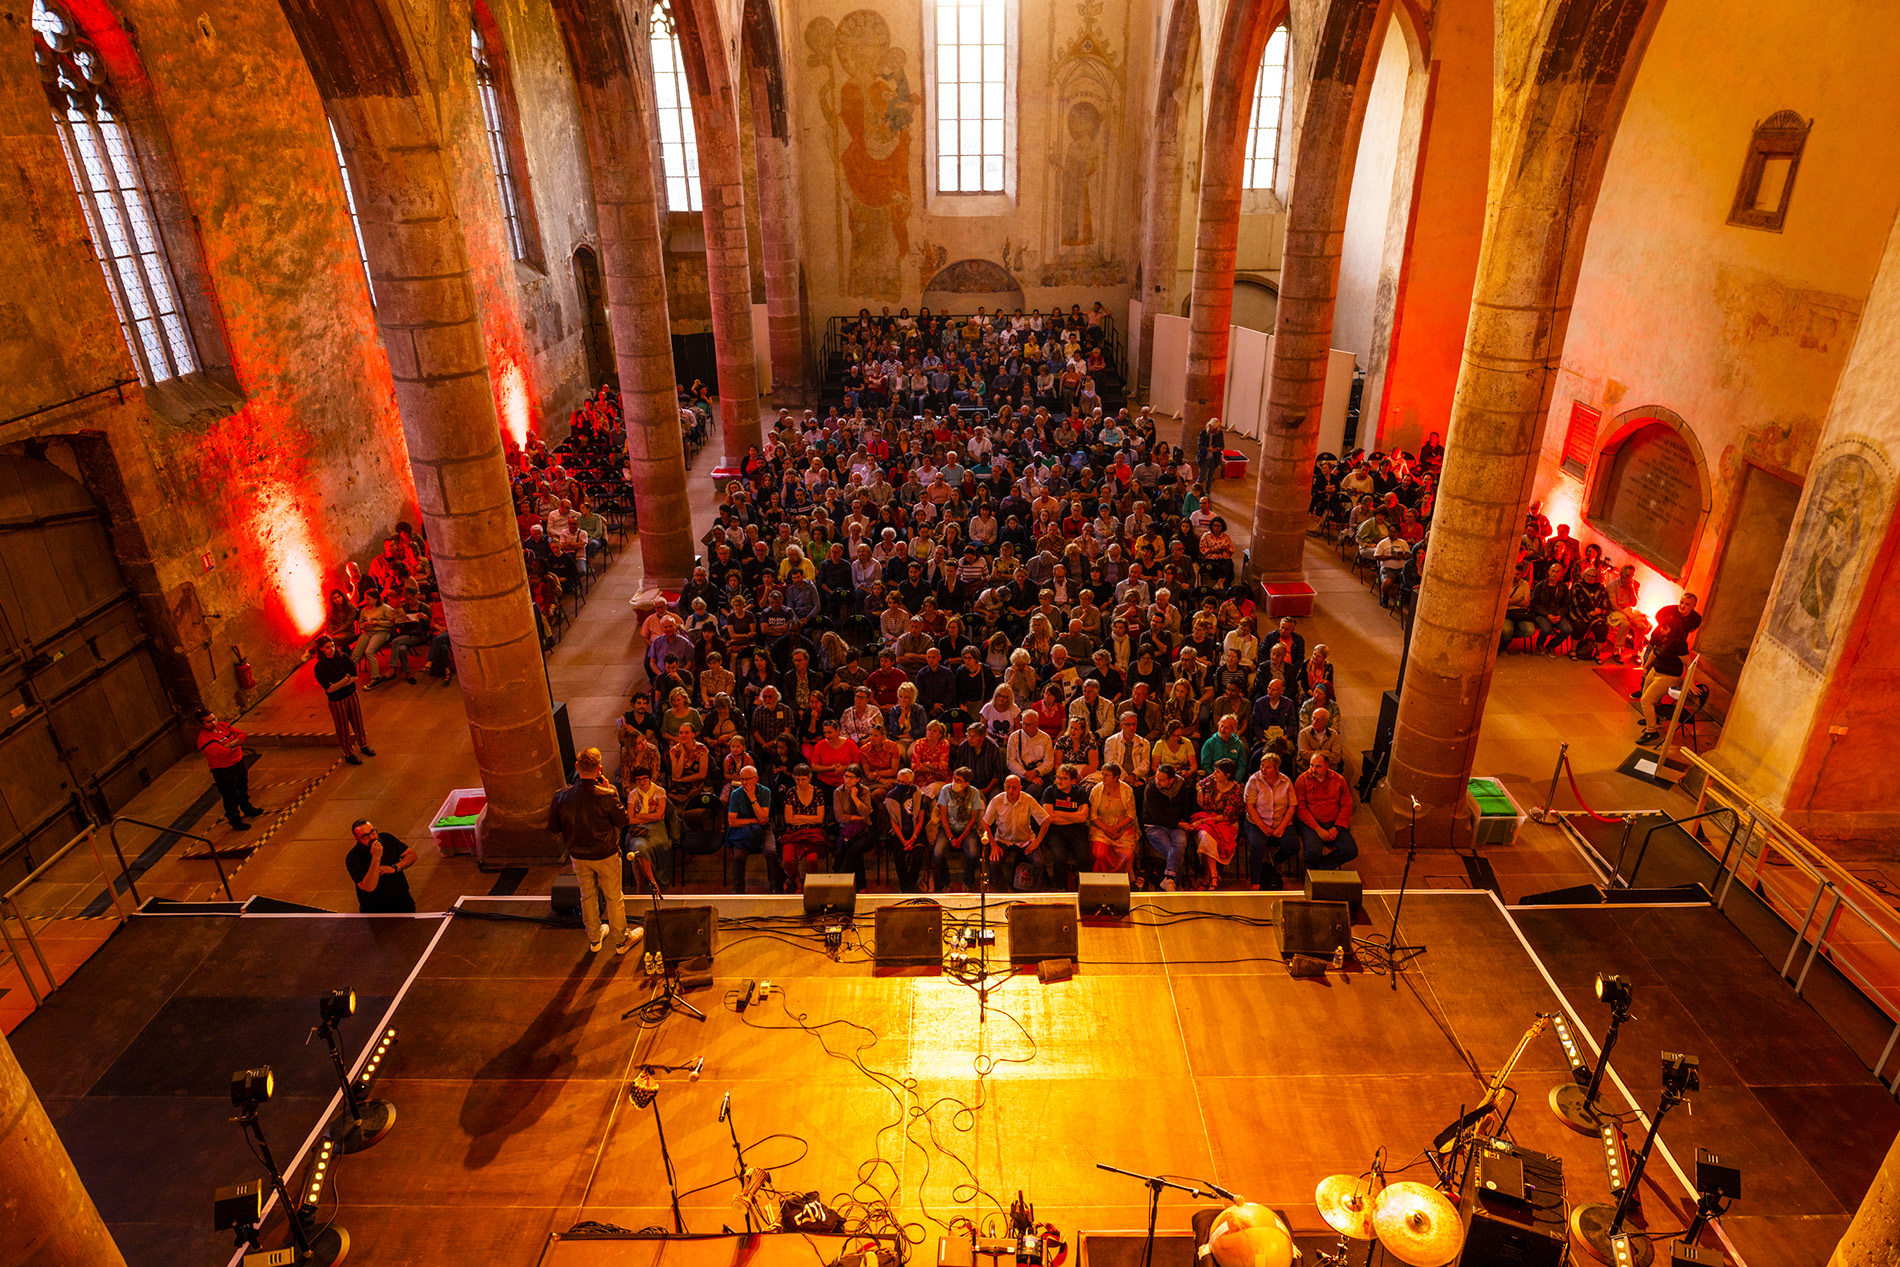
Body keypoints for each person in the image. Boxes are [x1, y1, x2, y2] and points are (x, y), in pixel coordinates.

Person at [547, 748, 640, 954]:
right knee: (614, 897)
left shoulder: (561, 796)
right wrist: (612, 792)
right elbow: (623, 821)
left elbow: (553, 827)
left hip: (579, 856)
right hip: (606, 854)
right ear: (599, 769)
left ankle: (595, 938)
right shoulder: (607, 795)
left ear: (577, 766)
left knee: (587, 896)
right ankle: (621, 940)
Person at [1636, 593, 1701, 744]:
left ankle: (1651, 731)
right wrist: (1646, 667)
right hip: (1656, 670)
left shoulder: (1679, 643)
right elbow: (1654, 651)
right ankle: (1652, 718)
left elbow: (1689, 664)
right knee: (1646, 696)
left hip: (1668, 676)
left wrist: (1690, 683)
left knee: (1646, 700)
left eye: (1664, 628)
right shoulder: (1661, 636)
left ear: (1672, 630)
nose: (1660, 630)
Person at [196, 708, 262, 831]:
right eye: (209, 722)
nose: (214, 723)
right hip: (223, 770)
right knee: (231, 796)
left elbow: (242, 735)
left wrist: (230, 745)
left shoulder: (223, 725)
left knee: (243, 787)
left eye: (214, 719)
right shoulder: (204, 739)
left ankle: (247, 808)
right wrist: (236, 743)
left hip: (238, 762)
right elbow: (222, 754)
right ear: (201, 724)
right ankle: (235, 820)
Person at [312, 636, 374, 765]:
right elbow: (330, 689)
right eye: (328, 647)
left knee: (357, 721)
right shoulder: (320, 667)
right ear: (321, 649)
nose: (332, 649)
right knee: (342, 727)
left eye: (333, 646)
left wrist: (339, 684)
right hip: (337, 700)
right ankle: (348, 753)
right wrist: (346, 679)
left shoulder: (343, 657)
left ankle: (363, 745)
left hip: (351, 694)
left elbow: (354, 677)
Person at [1243, 751, 1299, 889]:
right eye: (1262, 765)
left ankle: (1276, 858)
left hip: (1280, 821)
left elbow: (1292, 806)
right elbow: (1249, 806)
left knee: (1293, 846)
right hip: (1257, 822)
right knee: (1257, 845)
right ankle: (1255, 881)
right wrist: (1263, 827)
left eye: (1267, 767)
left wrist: (1282, 826)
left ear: (1276, 768)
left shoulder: (1286, 781)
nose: (1263, 769)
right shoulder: (1254, 780)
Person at [1294, 753, 1359, 870]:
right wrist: (1318, 829)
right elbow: (1300, 808)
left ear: (1327, 766)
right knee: (1312, 853)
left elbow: (1346, 805)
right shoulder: (1302, 780)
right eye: (1311, 765)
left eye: (1318, 766)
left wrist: (1337, 827)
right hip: (1311, 824)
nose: (1313, 769)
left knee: (1351, 851)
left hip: (1334, 822)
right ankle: (1315, 865)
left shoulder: (1339, 780)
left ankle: (1319, 867)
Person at [984, 774, 1047, 890]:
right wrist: (993, 845)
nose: (1011, 790)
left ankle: (1035, 894)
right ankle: (1002, 893)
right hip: (1003, 840)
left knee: (1039, 863)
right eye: (1008, 787)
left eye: (1014, 787)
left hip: (1025, 840)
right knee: (994, 863)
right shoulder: (997, 800)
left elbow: (1046, 820)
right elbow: (985, 823)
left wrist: (1037, 841)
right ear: (1004, 787)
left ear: (1020, 788)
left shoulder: (1028, 799)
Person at [1191, 758, 1246, 889]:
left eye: (1218, 772)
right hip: (1208, 817)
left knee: (1208, 839)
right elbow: (1199, 784)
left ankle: (1208, 878)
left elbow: (1226, 816)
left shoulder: (1235, 790)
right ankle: (1214, 876)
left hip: (1226, 822)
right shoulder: (1212, 779)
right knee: (1205, 836)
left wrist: (1202, 821)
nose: (1214, 773)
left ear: (1227, 775)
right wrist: (1200, 792)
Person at [727, 765, 781, 893]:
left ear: (756, 779)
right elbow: (732, 822)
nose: (744, 783)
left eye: (748, 779)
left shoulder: (765, 792)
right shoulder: (736, 794)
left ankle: (775, 886)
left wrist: (753, 799)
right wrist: (754, 821)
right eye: (742, 779)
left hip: (762, 829)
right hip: (742, 831)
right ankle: (738, 890)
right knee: (738, 856)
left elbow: (764, 820)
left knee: (771, 851)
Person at [1142, 763, 1195, 891]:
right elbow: (1155, 816)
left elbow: (1185, 807)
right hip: (1155, 826)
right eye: (1157, 778)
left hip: (1176, 825)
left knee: (1181, 842)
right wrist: (1178, 823)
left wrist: (1180, 823)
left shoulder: (1181, 786)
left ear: (1171, 780)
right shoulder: (1151, 788)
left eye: (1161, 780)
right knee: (1176, 854)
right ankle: (1177, 885)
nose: (1157, 782)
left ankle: (1169, 880)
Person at [934, 766, 987, 892]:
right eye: (954, 779)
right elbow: (943, 816)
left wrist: (961, 838)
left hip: (967, 829)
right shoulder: (946, 790)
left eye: (959, 780)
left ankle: (967, 882)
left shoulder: (974, 793)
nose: (955, 782)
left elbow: (973, 818)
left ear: (967, 783)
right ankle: (946, 883)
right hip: (948, 828)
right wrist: (951, 837)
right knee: (937, 854)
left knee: (973, 854)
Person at [346, 818, 416, 913]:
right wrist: (376, 857)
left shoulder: (387, 839)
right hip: (375, 909)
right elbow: (369, 887)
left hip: (402, 902)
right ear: (357, 838)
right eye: (365, 836)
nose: (372, 837)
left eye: (372, 832)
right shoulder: (353, 857)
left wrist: (395, 867)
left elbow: (411, 855)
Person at [885, 768, 933, 892]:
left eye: (903, 782)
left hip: (916, 831)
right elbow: (894, 822)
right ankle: (906, 887)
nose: (900, 784)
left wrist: (913, 838)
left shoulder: (919, 794)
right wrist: (903, 840)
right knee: (898, 857)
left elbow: (920, 820)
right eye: (898, 781)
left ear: (911, 783)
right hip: (899, 832)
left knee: (918, 856)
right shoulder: (891, 796)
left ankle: (908, 886)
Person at [624, 766, 670, 894]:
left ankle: (643, 887)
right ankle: (651, 883)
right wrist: (649, 817)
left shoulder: (659, 791)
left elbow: (659, 816)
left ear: (650, 779)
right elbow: (630, 819)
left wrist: (639, 816)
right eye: (638, 780)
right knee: (638, 847)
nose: (642, 782)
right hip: (638, 829)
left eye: (644, 779)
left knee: (639, 852)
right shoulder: (633, 794)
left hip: (656, 829)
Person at [1088, 763, 1140, 875]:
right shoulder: (1096, 790)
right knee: (1100, 854)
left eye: (1106, 775)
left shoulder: (1127, 790)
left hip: (1122, 829)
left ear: (1116, 777)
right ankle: (1101, 880)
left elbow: (1131, 814)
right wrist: (1107, 830)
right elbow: (1093, 815)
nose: (1103, 777)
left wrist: (1117, 829)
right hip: (1101, 828)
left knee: (1126, 855)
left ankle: (1122, 882)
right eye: (1102, 774)